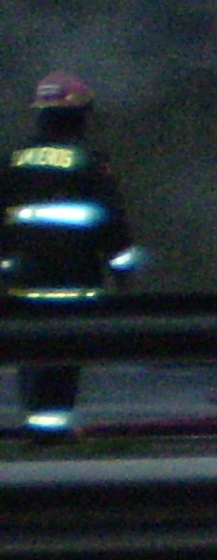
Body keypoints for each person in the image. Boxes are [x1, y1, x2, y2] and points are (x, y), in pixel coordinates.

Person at [2, 73, 139, 441]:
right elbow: (112, 223)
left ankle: (38, 426)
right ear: (79, 114)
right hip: (72, 279)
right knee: (62, 358)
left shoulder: (14, 161)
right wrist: (124, 272)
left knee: (30, 357)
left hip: (22, 282)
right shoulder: (88, 162)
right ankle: (52, 434)